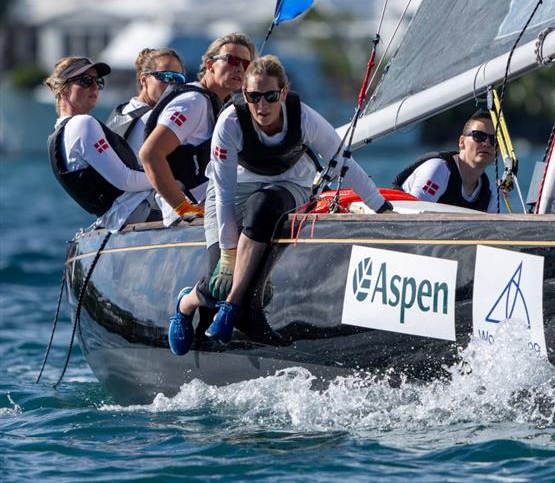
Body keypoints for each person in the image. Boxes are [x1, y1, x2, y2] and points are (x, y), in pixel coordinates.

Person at [168, 54, 393, 355]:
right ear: (244, 94)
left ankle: (243, 309)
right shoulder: (231, 122)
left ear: (283, 93)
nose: (262, 106)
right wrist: (227, 252)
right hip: (234, 190)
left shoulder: (305, 118)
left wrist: (381, 209)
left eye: (270, 96)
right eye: (254, 96)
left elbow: (343, 164)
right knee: (217, 286)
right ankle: (186, 303)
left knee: (264, 205)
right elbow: (223, 191)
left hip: (290, 185)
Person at [139, 33, 256, 226]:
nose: (239, 68)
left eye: (246, 64)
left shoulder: (220, 104)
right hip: (192, 213)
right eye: (232, 60)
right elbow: (150, 154)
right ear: (210, 65)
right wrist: (182, 207)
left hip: (214, 206)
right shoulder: (193, 103)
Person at [45, 56, 156, 230]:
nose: (95, 87)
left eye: (98, 82)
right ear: (63, 89)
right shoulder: (83, 124)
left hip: (116, 219)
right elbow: (126, 180)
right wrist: (169, 179)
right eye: (86, 81)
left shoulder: (56, 137)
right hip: (135, 211)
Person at [394, 110, 497, 212]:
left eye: (494, 139)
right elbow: (413, 217)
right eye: (479, 136)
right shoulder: (438, 170)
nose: (487, 143)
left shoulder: (489, 192)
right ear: (462, 142)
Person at [106, 47, 186, 154]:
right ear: (143, 79)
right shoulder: (155, 119)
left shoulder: (121, 111)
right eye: (166, 77)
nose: (173, 84)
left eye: (179, 78)